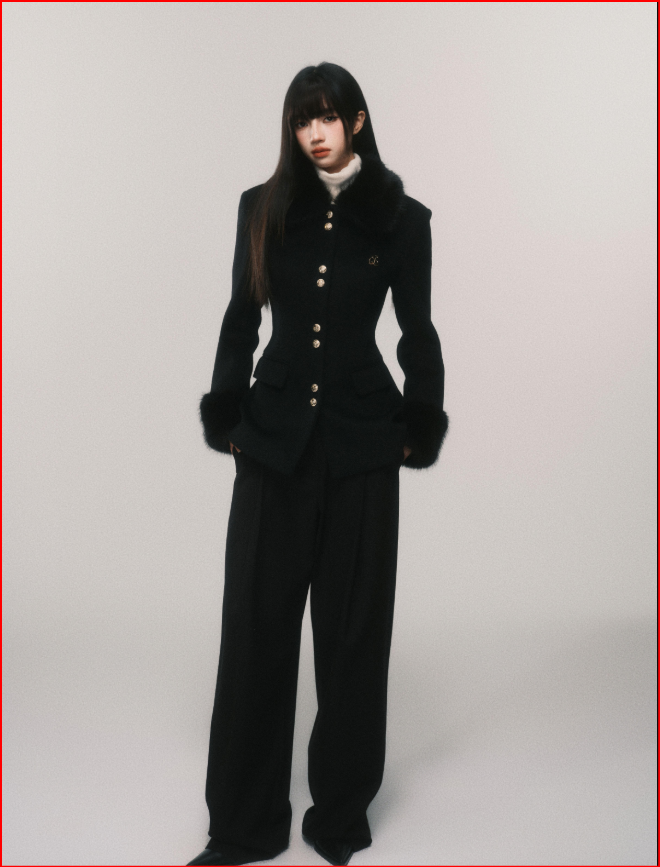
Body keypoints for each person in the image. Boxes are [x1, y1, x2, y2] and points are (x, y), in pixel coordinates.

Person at [188, 62, 449, 867]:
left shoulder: (403, 219)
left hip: (363, 448)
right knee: (255, 632)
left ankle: (338, 816)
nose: (315, 133)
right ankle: (243, 824)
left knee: (352, 637)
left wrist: (417, 423)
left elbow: (418, 333)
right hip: (272, 444)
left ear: (357, 121)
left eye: (328, 116)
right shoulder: (262, 208)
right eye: (303, 119)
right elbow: (241, 317)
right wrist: (229, 414)